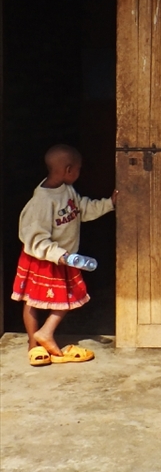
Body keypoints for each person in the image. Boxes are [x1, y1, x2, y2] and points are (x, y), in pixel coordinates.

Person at [11, 144, 117, 366]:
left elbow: (81, 210)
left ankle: (45, 332)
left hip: (64, 258)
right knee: (31, 300)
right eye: (78, 169)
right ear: (69, 169)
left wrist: (109, 204)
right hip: (42, 258)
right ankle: (34, 343)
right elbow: (34, 238)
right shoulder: (42, 201)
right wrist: (59, 255)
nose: (79, 173)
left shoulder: (67, 190)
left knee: (68, 296)